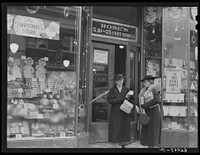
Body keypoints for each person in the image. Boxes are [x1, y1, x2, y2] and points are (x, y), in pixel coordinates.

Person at [107, 74, 135, 148]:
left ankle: (123, 143)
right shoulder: (112, 90)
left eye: (122, 80)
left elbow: (132, 100)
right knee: (116, 128)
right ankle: (116, 144)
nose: (120, 82)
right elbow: (110, 101)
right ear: (115, 81)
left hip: (125, 111)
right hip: (116, 112)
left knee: (124, 127)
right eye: (119, 80)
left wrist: (130, 98)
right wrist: (122, 98)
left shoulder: (126, 89)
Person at [136, 75, 162, 148]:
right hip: (147, 112)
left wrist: (145, 105)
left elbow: (157, 100)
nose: (144, 83)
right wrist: (137, 106)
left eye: (145, 82)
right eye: (143, 82)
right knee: (148, 135)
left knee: (152, 134)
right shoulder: (144, 90)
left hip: (153, 113)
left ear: (150, 81)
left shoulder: (154, 89)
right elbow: (140, 100)